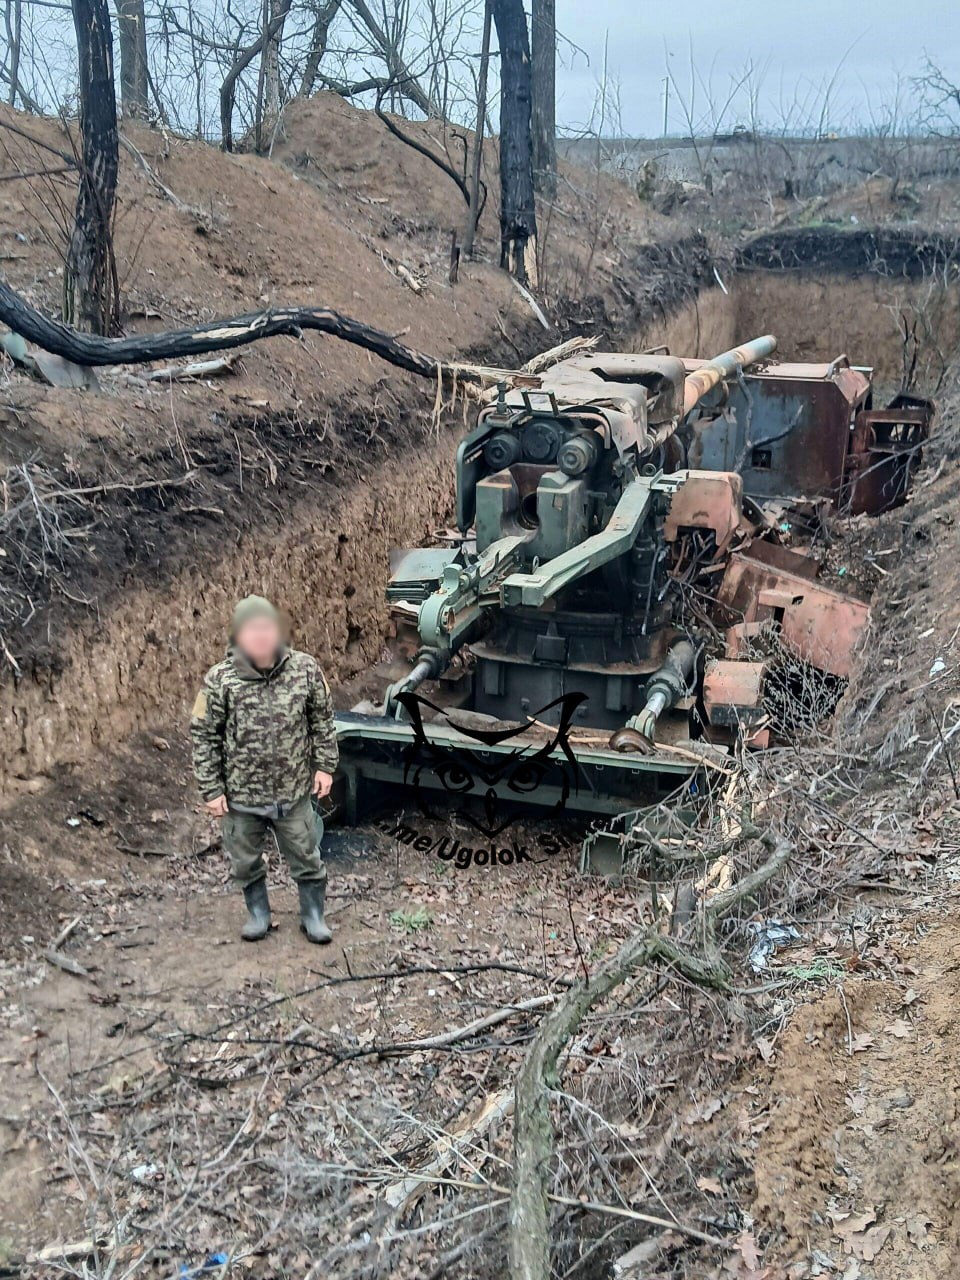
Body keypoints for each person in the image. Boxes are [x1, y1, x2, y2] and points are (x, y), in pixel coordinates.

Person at [190, 595, 339, 944]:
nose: (260, 637)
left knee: (306, 854)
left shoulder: (305, 669)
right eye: (251, 630)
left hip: (293, 791)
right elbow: (203, 735)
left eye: (267, 628)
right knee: (244, 860)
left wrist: (325, 766)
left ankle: (312, 914)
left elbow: (322, 719)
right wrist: (211, 789)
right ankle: (258, 913)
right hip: (241, 796)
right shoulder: (220, 680)